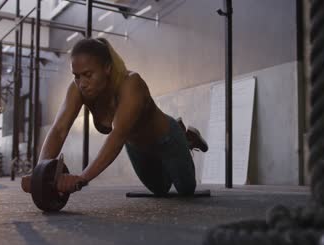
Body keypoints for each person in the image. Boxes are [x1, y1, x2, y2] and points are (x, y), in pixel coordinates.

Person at [21, 37, 208, 196]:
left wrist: (82, 178)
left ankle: (185, 137)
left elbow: (117, 135)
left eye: (88, 74)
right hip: (137, 146)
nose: (81, 83)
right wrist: (40, 171)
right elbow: (59, 130)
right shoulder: (78, 89)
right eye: (77, 76)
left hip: (165, 137)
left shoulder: (131, 84)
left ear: (107, 68)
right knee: (160, 191)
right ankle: (171, 161)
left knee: (185, 191)